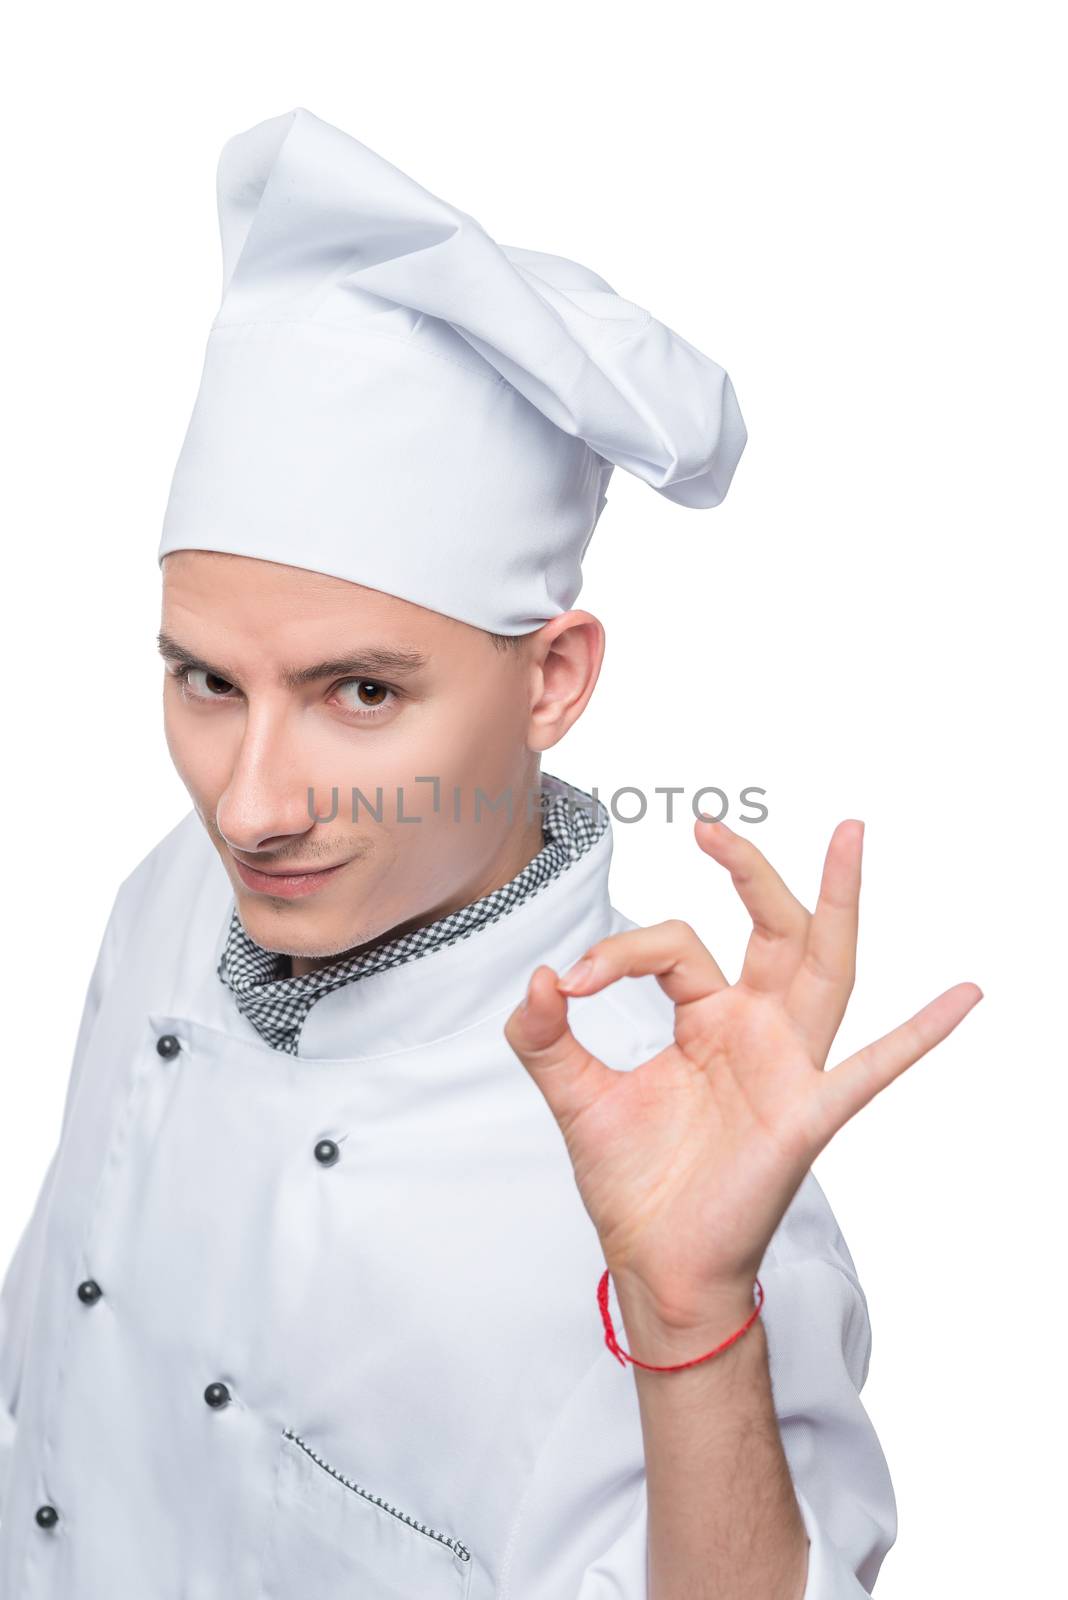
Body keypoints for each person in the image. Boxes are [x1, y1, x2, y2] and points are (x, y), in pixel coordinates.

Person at [0, 107, 980, 1599]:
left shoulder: (685, 1146)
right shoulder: (167, 897)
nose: (249, 805)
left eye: (361, 694)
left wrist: (691, 1309)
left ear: (555, 682)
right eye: (206, 681)